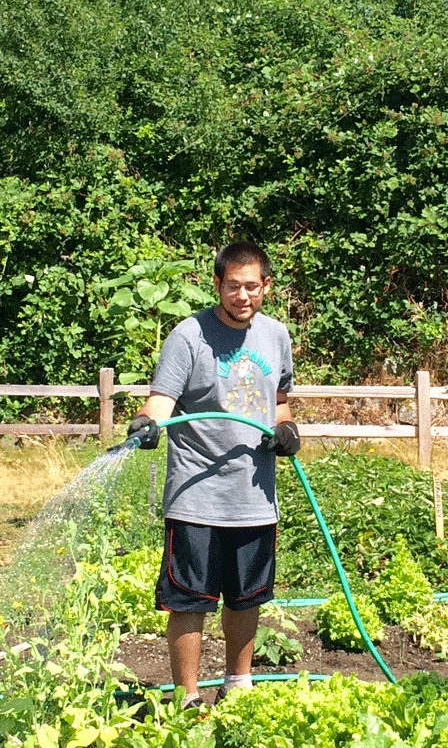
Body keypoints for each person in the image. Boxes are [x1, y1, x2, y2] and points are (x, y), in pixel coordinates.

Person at [127, 241, 300, 708]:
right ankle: (187, 696)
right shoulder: (189, 335)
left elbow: (279, 401)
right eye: (232, 287)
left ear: (266, 286)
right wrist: (147, 422)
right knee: (189, 600)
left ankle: (237, 685)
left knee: (247, 597)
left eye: (251, 287)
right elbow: (163, 399)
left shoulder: (276, 335)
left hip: (254, 493)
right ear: (218, 285)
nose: (242, 296)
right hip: (196, 493)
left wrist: (287, 431)